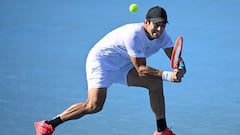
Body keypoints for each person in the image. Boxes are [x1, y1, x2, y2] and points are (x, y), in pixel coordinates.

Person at [34, 5, 186, 135]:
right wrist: (168, 75)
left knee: (155, 84)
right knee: (94, 105)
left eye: (163, 25)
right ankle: (49, 124)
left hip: (125, 63)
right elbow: (141, 69)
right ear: (146, 22)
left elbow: (175, 56)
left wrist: (180, 68)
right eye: (156, 24)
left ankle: (161, 130)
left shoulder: (163, 36)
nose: (159, 29)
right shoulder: (133, 35)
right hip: (102, 62)